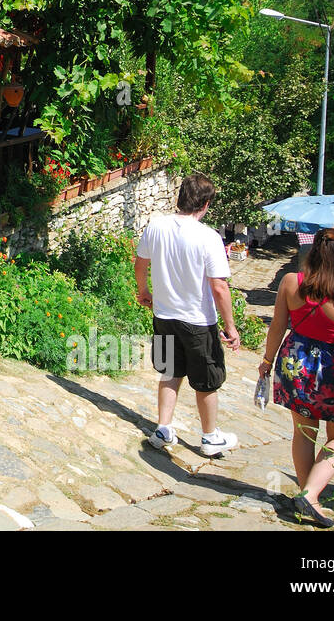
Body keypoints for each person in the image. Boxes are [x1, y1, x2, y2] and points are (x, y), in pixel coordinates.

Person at [258, 227, 334, 526]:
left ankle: (307, 497)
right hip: (332, 372)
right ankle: (310, 497)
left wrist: (267, 361)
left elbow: (277, 328)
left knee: (304, 432)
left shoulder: (289, 282)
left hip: (295, 365)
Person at [135, 173, 242, 455]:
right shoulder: (208, 237)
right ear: (206, 204)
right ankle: (209, 437)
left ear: (180, 197)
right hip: (197, 320)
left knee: (171, 371)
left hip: (164, 315)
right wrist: (230, 326)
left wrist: (143, 291)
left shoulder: (156, 226)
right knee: (206, 381)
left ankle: (163, 429)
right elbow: (219, 287)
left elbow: (140, 264)